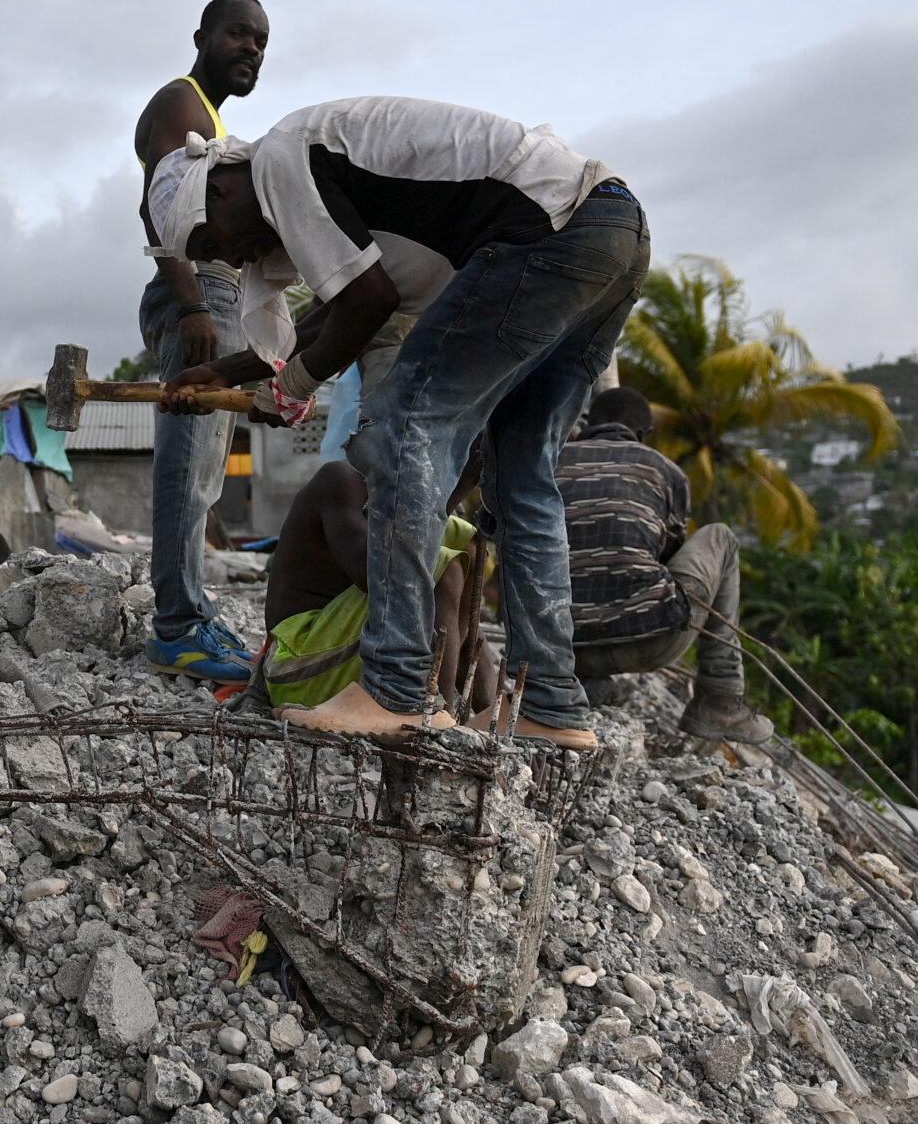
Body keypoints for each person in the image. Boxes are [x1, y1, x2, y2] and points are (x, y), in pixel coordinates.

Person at [147, 95, 649, 750]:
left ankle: (397, 687)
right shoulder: (329, 188)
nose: (239, 255)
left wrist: (289, 387)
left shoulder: (278, 156)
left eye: (216, 240)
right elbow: (347, 311)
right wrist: (236, 372)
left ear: (220, 184)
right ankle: (551, 703)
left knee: (401, 429)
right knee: (521, 477)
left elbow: (367, 301)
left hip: (541, 236)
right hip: (610, 230)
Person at [130, 0, 270, 683]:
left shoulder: (208, 120)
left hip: (217, 290)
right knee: (188, 466)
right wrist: (191, 306)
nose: (251, 48)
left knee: (206, 473)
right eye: (238, 33)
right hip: (199, 291)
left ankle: (190, 613)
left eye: (262, 42)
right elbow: (160, 206)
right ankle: (177, 629)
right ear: (203, 36)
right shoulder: (183, 104)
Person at [559, 387, 773, 741]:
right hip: (649, 643)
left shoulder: (547, 463)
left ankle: (582, 680)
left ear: (587, 425)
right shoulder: (664, 469)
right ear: (645, 434)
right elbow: (667, 557)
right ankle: (720, 698)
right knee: (721, 537)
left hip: (553, 646)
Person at [258, 440, 494, 715]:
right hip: (299, 669)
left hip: (347, 660)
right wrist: (460, 484)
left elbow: (468, 620)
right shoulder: (340, 481)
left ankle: (473, 711)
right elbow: (379, 575)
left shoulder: (413, 502)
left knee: (469, 549)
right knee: (445, 568)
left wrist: (489, 712)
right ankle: (434, 718)